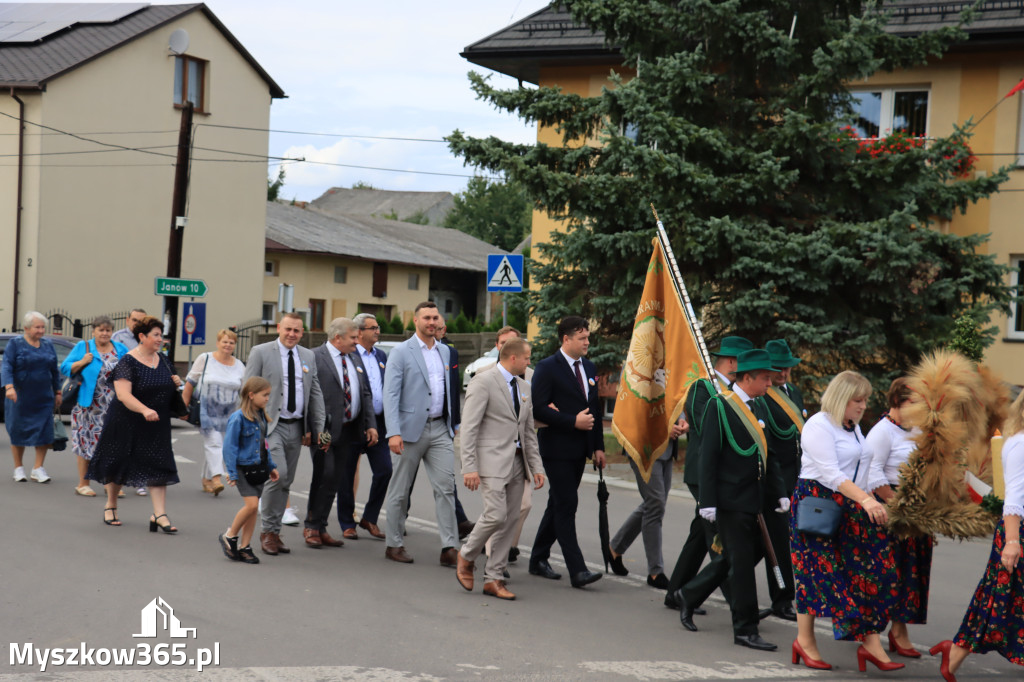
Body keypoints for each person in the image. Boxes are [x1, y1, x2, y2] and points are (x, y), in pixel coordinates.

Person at [790, 370, 901, 672]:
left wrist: (875, 500)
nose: (864, 406)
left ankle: (870, 641)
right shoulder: (818, 425)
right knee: (819, 576)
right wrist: (865, 500)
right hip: (819, 503)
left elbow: (863, 468)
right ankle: (806, 641)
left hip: (850, 503)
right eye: (858, 400)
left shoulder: (852, 426)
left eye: (865, 400)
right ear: (841, 398)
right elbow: (831, 474)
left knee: (875, 570)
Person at [689, 349, 787, 651]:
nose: (770, 383)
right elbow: (709, 456)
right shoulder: (721, 406)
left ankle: (688, 596)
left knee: (740, 561)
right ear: (746, 378)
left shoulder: (758, 407)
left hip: (754, 499)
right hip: (730, 500)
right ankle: (745, 629)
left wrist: (779, 491)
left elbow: (767, 456)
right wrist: (708, 501)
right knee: (742, 567)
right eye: (764, 378)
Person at [930, 389, 1024, 681]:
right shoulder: (1020, 444)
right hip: (1017, 531)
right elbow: (1013, 499)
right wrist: (1012, 541)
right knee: (997, 597)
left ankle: (955, 651)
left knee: (997, 597)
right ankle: (956, 650)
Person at [665, 335, 751, 612]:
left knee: (699, 537)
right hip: (703, 474)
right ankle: (737, 603)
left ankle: (676, 592)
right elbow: (710, 426)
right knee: (719, 539)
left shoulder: (734, 390)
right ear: (731, 362)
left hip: (721, 474)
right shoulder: (703, 387)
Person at [456, 338, 545, 600]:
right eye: (527, 358)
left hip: (518, 462)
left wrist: (536, 467)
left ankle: (493, 578)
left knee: (510, 520)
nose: (530, 362)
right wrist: (469, 467)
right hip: (490, 461)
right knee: (495, 515)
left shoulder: (525, 386)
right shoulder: (483, 381)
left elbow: (528, 431)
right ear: (513, 358)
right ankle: (466, 555)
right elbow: (469, 428)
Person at [86, 316, 184, 531]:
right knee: (118, 461)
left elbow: (167, 389)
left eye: (161, 335)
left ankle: (160, 514)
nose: (161, 339)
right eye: (156, 335)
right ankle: (111, 504)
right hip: (125, 420)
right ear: (142, 336)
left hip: (156, 423)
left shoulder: (164, 361)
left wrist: (176, 383)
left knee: (159, 464)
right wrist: (144, 409)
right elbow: (122, 395)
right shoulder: (127, 362)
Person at [528, 316, 605, 589]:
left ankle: (537, 558)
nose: (587, 342)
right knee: (566, 505)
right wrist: (572, 421)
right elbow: (537, 408)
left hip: (580, 449)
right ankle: (578, 570)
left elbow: (594, 410)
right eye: (582, 338)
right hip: (556, 448)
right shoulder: (548, 367)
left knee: (558, 503)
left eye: (587, 337)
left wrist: (598, 446)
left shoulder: (589, 366)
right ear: (566, 339)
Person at [381, 301, 459, 566]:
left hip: (439, 428)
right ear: (415, 321)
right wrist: (393, 432)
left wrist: (454, 423)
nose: (431, 322)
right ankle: (393, 543)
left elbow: (450, 390)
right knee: (400, 491)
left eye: (435, 317)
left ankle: (450, 547)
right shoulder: (401, 352)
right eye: (426, 317)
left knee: (446, 488)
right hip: (408, 430)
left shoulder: (446, 352)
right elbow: (390, 394)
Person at [243, 312, 325, 556]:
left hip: (297, 426)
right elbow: (247, 388)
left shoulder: (308, 355)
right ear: (279, 328)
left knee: (286, 481)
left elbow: (315, 393)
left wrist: (318, 428)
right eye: (288, 329)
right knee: (277, 475)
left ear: (302, 333)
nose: (292, 335)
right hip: (269, 425)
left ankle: (275, 532)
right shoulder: (261, 352)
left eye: (297, 331)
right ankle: (267, 532)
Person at [864, 377, 932, 659]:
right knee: (891, 573)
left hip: (915, 509)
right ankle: (882, 632)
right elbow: (873, 473)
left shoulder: (916, 429)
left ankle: (900, 628)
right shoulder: (882, 432)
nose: (917, 409)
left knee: (912, 573)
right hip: (890, 507)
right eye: (912, 403)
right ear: (897, 402)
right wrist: (899, 505)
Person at [306, 317, 375, 548]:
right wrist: (309, 430)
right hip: (324, 430)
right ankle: (312, 526)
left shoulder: (354, 357)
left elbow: (365, 394)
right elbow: (307, 396)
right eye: (353, 338)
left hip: (349, 430)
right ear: (337, 337)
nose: (357, 342)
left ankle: (322, 526)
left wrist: (370, 424)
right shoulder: (316, 357)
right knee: (324, 474)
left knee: (336, 479)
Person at [753, 338, 806, 622]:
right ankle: (782, 598)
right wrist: (778, 487)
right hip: (776, 482)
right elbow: (769, 444)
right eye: (777, 368)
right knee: (777, 545)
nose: (783, 373)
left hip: (796, 478)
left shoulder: (793, 393)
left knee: (775, 544)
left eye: (787, 367)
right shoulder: (764, 399)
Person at [608, 415, 687, 588]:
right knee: (655, 504)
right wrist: (665, 427)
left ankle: (614, 548)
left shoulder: (669, 384)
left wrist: (681, 419)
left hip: (666, 447)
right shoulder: (637, 385)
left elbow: (676, 399)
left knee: (654, 504)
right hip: (643, 447)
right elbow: (637, 411)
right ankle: (655, 572)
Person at [481, 326, 534, 565]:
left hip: (520, 453)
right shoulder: (484, 375)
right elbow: (475, 422)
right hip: (494, 454)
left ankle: (508, 547)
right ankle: (492, 557)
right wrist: (470, 464)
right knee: (496, 512)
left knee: (522, 506)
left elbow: (531, 417)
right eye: (503, 343)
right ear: (498, 347)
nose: (507, 346)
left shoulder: (530, 377)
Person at [338, 312, 391, 539]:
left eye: (377, 327)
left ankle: (370, 517)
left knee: (385, 470)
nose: (378, 331)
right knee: (347, 473)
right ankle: (346, 521)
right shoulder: (349, 355)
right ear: (359, 332)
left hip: (379, 423)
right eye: (373, 327)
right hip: (354, 422)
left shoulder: (381, 355)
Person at [62, 315, 129, 496]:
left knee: (113, 444)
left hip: (114, 405)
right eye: (101, 330)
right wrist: (82, 362)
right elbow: (64, 367)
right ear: (93, 331)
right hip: (89, 405)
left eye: (108, 330)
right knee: (85, 442)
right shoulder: (83, 347)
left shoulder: (120, 349)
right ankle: (83, 483)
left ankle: (111, 484)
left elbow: (131, 369)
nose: (105, 333)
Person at [219, 377, 280, 565]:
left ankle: (245, 547)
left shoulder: (261, 416)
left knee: (253, 511)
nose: (268, 399)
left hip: (258, 467)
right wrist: (232, 472)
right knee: (252, 506)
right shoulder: (238, 418)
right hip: (243, 468)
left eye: (269, 395)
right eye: (265, 395)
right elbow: (229, 447)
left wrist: (271, 466)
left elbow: (264, 445)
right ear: (251, 395)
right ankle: (229, 535)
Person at [181, 329, 246, 496]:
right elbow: (190, 383)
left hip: (229, 412)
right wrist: (182, 407)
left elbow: (244, 391)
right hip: (207, 409)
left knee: (220, 445)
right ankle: (217, 478)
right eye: (224, 341)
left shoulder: (239, 366)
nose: (228, 345)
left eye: (231, 342)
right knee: (214, 443)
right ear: (218, 343)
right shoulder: (206, 359)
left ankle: (206, 478)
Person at [3, 311, 62, 483]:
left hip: (43, 396)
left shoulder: (48, 345)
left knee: (44, 431)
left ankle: (38, 468)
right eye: (37, 327)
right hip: (20, 395)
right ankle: (18, 468)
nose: (41, 331)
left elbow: (54, 370)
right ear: (26, 328)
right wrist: (9, 387)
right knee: (18, 430)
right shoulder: (15, 344)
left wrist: (57, 391)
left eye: (43, 327)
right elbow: (7, 366)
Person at [111, 308, 149, 497]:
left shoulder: (148, 337)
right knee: (122, 439)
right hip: (124, 393)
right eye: (134, 320)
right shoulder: (118, 338)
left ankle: (139, 480)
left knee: (141, 439)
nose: (137, 324)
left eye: (141, 321)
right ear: (127, 320)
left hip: (143, 393)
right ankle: (119, 477)